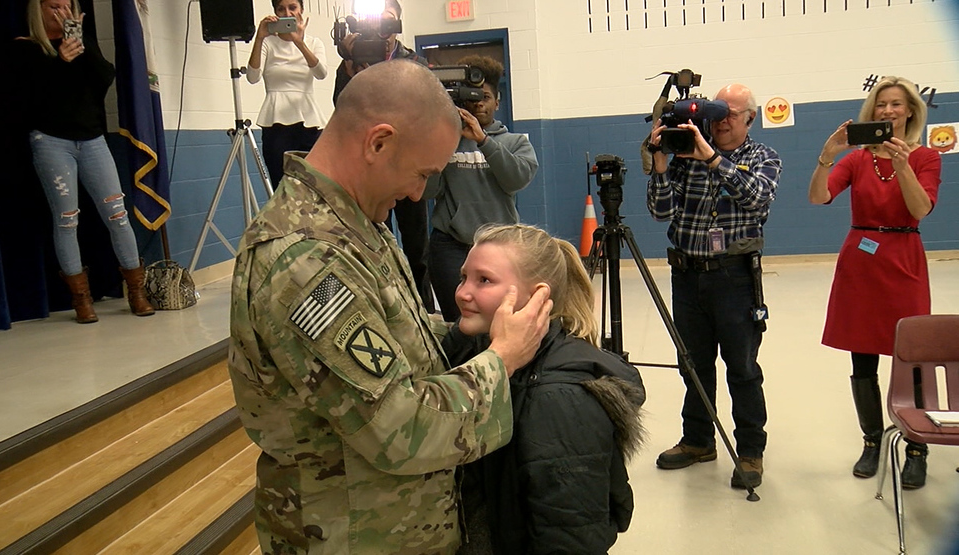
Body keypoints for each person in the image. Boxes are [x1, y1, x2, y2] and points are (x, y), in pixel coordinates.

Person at [228, 60, 553, 555]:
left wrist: (470, 328)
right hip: (354, 535)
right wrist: (501, 359)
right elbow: (401, 428)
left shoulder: (355, 222)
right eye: (422, 174)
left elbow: (394, 333)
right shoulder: (306, 259)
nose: (418, 193)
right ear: (378, 143)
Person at [443, 224, 645, 555]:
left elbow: (569, 533)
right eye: (464, 277)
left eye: (484, 280)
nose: (462, 292)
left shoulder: (559, 397)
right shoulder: (478, 352)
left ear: (537, 296)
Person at [646, 83, 781, 488]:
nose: (721, 121)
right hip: (686, 275)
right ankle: (698, 440)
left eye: (731, 114)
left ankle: (750, 451)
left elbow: (757, 198)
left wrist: (712, 158)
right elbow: (660, 211)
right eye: (717, 113)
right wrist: (660, 160)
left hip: (734, 276)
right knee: (694, 365)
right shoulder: (687, 152)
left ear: (750, 119)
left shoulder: (762, 157)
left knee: (741, 368)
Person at [809, 76, 941, 488]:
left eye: (897, 105)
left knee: (913, 359)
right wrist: (827, 157)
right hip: (860, 264)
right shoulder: (856, 159)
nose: (888, 111)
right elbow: (818, 197)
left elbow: (920, 209)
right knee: (861, 358)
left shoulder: (925, 158)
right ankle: (871, 442)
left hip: (904, 259)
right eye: (881, 104)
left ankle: (917, 448)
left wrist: (902, 166)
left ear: (910, 111)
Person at [13, 0, 154, 324]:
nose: (60, 11)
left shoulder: (78, 43)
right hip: (51, 141)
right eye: (53, 6)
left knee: (117, 214)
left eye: (66, 6)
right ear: (38, 9)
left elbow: (105, 76)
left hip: (91, 139)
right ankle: (81, 299)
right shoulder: (26, 49)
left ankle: (137, 290)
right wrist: (59, 59)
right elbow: (30, 98)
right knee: (66, 219)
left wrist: (79, 43)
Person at [332, 0, 433, 311]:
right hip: (371, 169)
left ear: (398, 24)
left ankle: (424, 311)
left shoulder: (413, 61)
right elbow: (342, 106)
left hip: (407, 166)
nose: (381, 29)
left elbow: (423, 108)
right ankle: (385, 308)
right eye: (375, 21)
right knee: (374, 243)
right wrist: (351, 68)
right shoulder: (352, 60)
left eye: (387, 21)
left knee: (417, 247)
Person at [424, 56, 539, 322]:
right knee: (459, 322)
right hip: (450, 245)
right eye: (472, 98)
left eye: (485, 97)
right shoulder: (447, 142)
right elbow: (429, 191)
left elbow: (516, 180)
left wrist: (484, 141)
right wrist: (440, 142)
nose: (478, 103)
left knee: (500, 319)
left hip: (500, 245)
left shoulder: (515, 142)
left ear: (497, 102)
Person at [246, 0, 328, 187]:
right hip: (276, 123)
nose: (287, 12)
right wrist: (259, 37)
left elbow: (321, 73)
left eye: (292, 7)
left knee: (314, 187)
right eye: (280, 9)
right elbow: (252, 77)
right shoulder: (268, 43)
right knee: (282, 186)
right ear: (274, 12)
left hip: (309, 122)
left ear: (301, 11)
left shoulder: (314, 42)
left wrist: (299, 42)